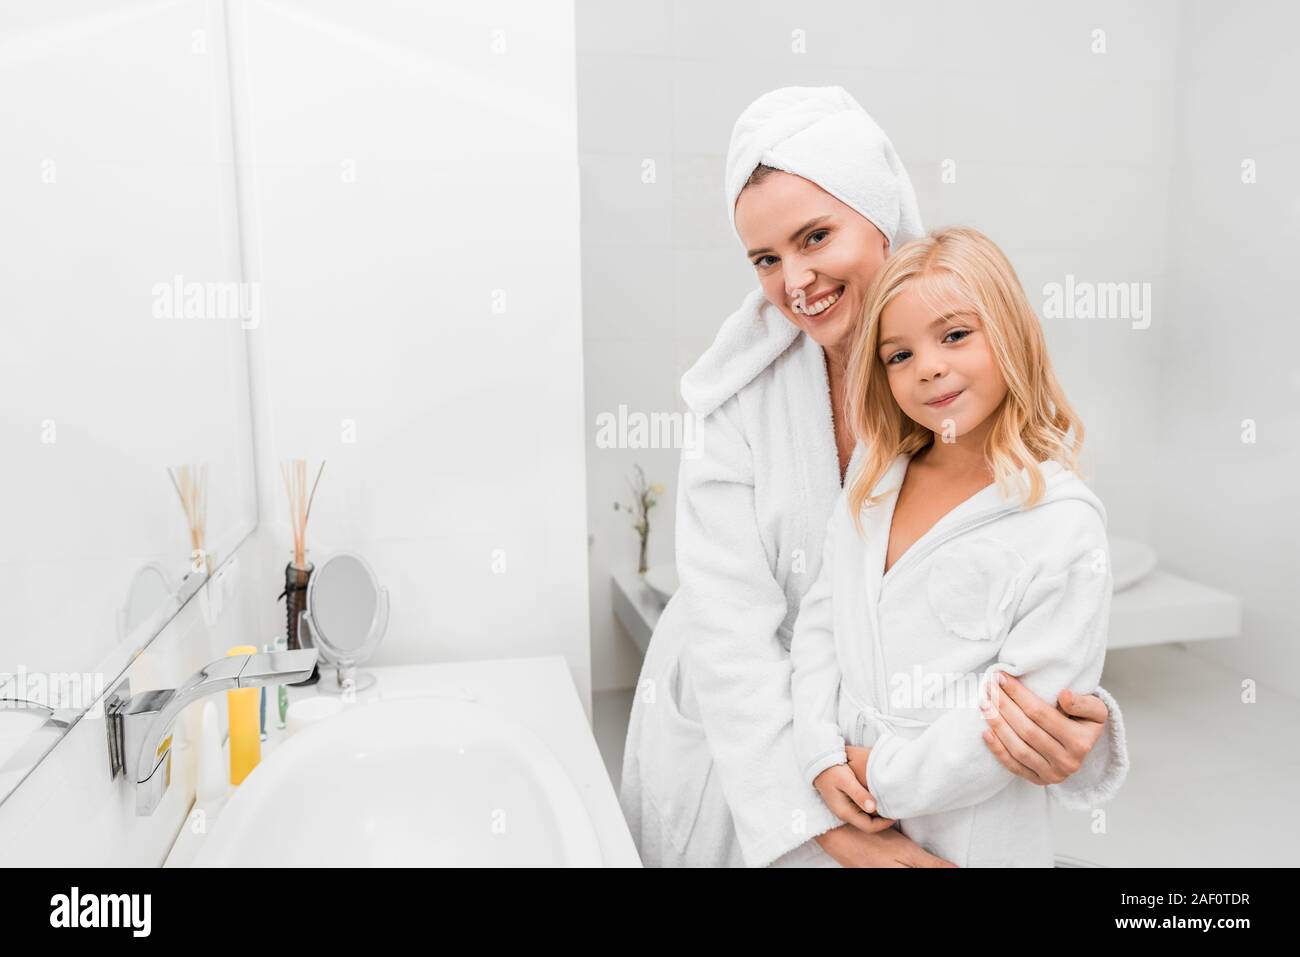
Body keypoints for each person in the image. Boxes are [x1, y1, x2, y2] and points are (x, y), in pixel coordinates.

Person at [619, 86, 1128, 868]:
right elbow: (732, 638)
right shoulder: (733, 405)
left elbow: (1000, 593)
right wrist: (824, 819)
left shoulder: (954, 365)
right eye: (765, 258)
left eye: (815, 236)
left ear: (880, 209)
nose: (795, 280)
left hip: (902, 758)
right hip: (752, 745)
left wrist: (1066, 726)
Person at [792, 225, 1123, 867]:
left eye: (954, 335)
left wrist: (883, 776)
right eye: (899, 355)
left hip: (972, 822)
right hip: (845, 792)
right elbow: (822, 621)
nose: (930, 366)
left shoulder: (1060, 521)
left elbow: (1021, 715)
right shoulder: (874, 482)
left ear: (1010, 333)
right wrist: (818, 751)